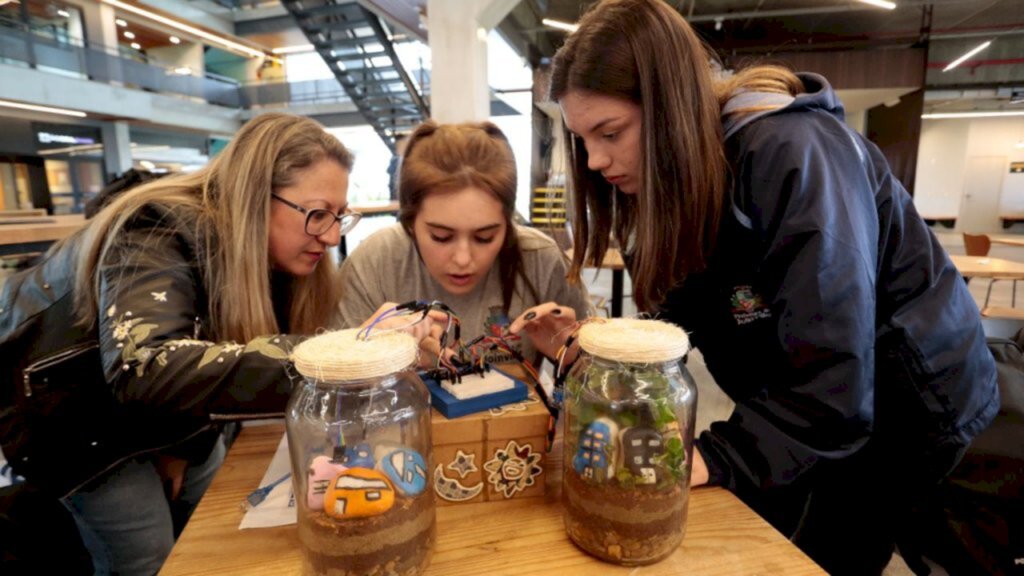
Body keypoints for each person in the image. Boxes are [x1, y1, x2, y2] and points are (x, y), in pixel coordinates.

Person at [530, 1, 1000, 574]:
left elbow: (835, 376)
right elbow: (694, 301)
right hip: (809, 407)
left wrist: (715, 457)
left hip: (909, 409)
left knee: (832, 550)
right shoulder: (688, 178)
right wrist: (616, 345)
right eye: (582, 139)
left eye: (610, 132)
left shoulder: (790, 152)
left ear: (670, 108)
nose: (596, 159)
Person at [0, 113, 429, 576]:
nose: (329, 237)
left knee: (210, 524)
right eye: (317, 214)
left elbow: (213, 354)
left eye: (339, 217)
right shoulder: (154, 228)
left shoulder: (274, 257)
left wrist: (179, 442)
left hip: (150, 406)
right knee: (149, 552)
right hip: (67, 415)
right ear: (255, 197)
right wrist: (333, 357)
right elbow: (148, 363)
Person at [337, 120, 588, 366]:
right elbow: (326, 392)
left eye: (485, 237)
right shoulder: (376, 260)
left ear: (508, 222)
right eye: (441, 237)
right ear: (410, 223)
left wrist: (575, 362)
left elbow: (602, 384)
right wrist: (363, 353)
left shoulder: (540, 258)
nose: (463, 259)